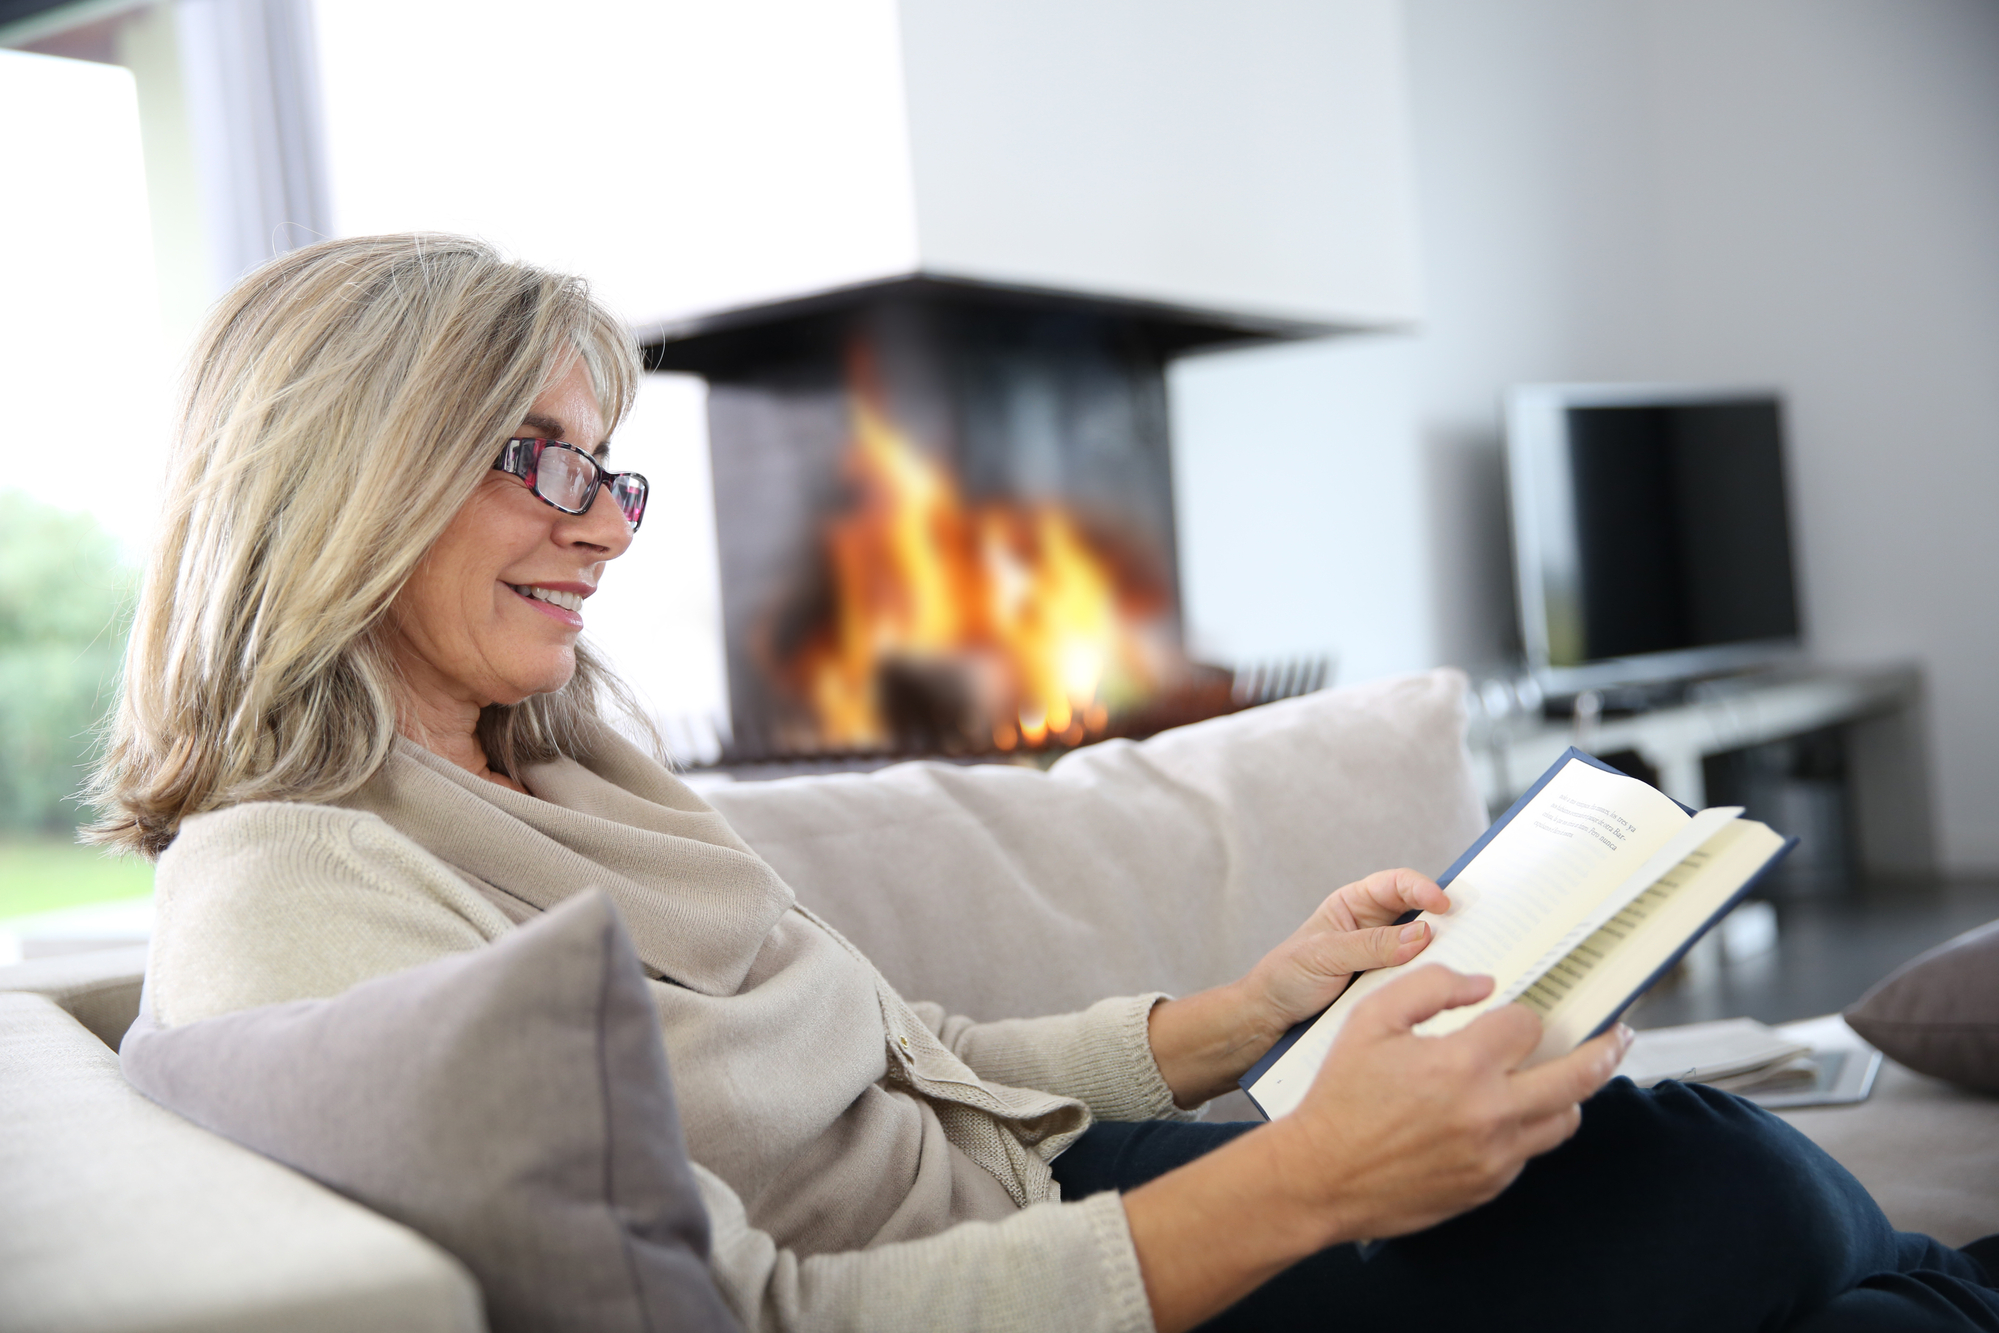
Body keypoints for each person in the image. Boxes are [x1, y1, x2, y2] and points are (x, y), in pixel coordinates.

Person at [91, 234, 1998, 1332]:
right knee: (1695, 1180)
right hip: (1044, 1295)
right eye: (542, 459)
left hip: (1045, 1186)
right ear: (331, 471)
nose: (601, 530)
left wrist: (1244, 1014)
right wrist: (1306, 1179)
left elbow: (898, 1049)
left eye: (614, 469)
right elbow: (769, 1318)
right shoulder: (294, 889)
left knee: (1650, 1156)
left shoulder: (566, 759)